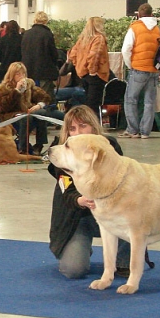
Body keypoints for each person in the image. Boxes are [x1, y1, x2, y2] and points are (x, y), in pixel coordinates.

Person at [49, 105, 130, 279]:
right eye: (72, 128)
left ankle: (122, 259)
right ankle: (80, 246)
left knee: (125, 269)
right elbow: (66, 189)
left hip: (111, 213)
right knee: (73, 270)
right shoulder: (59, 153)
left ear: (93, 126)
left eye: (83, 126)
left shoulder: (110, 146)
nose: (78, 132)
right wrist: (80, 200)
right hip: (78, 217)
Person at [120, 3, 160, 139]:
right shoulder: (159, 29)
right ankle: (145, 132)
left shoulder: (134, 28)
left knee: (131, 100)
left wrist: (131, 65)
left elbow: (126, 49)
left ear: (138, 15)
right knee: (149, 102)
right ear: (152, 14)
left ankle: (133, 130)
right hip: (154, 70)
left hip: (138, 69)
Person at [0, 62, 52, 156]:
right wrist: (16, 91)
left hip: (27, 111)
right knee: (25, 118)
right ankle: (23, 148)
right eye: (18, 74)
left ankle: (39, 144)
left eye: (23, 74)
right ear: (12, 75)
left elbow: (45, 97)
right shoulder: (4, 87)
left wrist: (39, 105)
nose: (21, 76)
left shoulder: (29, 84)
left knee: (42, 112)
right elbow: (5, 106)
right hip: (11, 114)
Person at [68, 17, 110, 118]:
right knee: (94, 105)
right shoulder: (99, 38)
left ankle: (88, 126)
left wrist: (78, 66)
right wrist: (92, 71)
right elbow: (94, 56)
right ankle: (94, 129)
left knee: (88, 103)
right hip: (96, 75)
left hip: (83, 74)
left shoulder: (82, 39)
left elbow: (72, 54)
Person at [21, 11, 59, 103]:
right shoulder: (47, 34)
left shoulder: (26, 34)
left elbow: (22, 51)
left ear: (35, 20)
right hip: (44, 71)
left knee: (31, 96)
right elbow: (53, 54)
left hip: (28, 69)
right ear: (46, 21)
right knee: (45, 97)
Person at [0, 20, 22, 84]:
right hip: (18, 70)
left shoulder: (3, 39)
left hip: (5, 70)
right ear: (17, 28)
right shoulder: (22, 39)